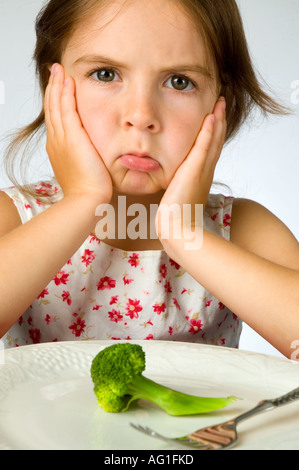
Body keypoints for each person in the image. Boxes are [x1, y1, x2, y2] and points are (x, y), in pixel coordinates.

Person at [0, 0, 298, 357]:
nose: (141, 116)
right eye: (106, 74)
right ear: (54, 89)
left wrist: (184, 234)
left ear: (222, 104)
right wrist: (83, 200)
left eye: (179, 81)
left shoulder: (243, 229)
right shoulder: (15, 218)